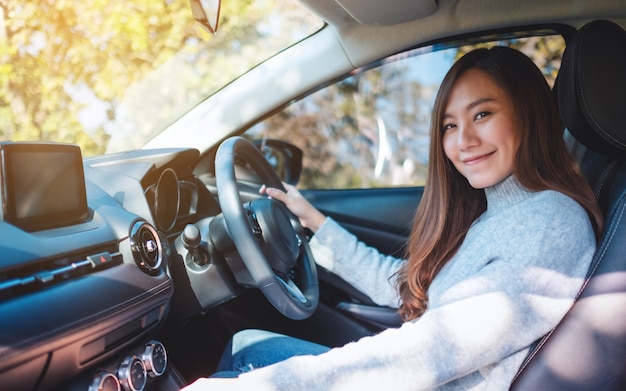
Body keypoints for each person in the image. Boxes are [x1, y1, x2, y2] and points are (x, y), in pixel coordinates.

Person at [182, 46, 603, 390]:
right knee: (247, 346)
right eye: (449, 126)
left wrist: (258, 387)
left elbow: (431, 352)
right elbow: (414, 288)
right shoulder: (497, 215)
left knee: (233, 374)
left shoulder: (551, 220)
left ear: (528, 113)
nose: (463, 142)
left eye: (482, 114)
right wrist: (316, 224)